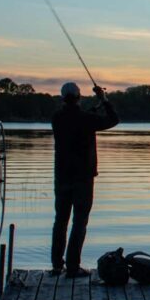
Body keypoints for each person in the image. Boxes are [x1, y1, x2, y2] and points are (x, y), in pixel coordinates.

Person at [51, 81, 119, 278]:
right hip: (83, 178)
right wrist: (104, 100)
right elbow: (113, 119)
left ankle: (57, 265)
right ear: (79, 97)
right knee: (79, 222)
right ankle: (72, 267)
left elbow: (77, 118)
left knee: (60, 221)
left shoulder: (57, 118)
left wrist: (95, 108)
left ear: (63, 98)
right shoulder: (86, 119)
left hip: (62, 177)